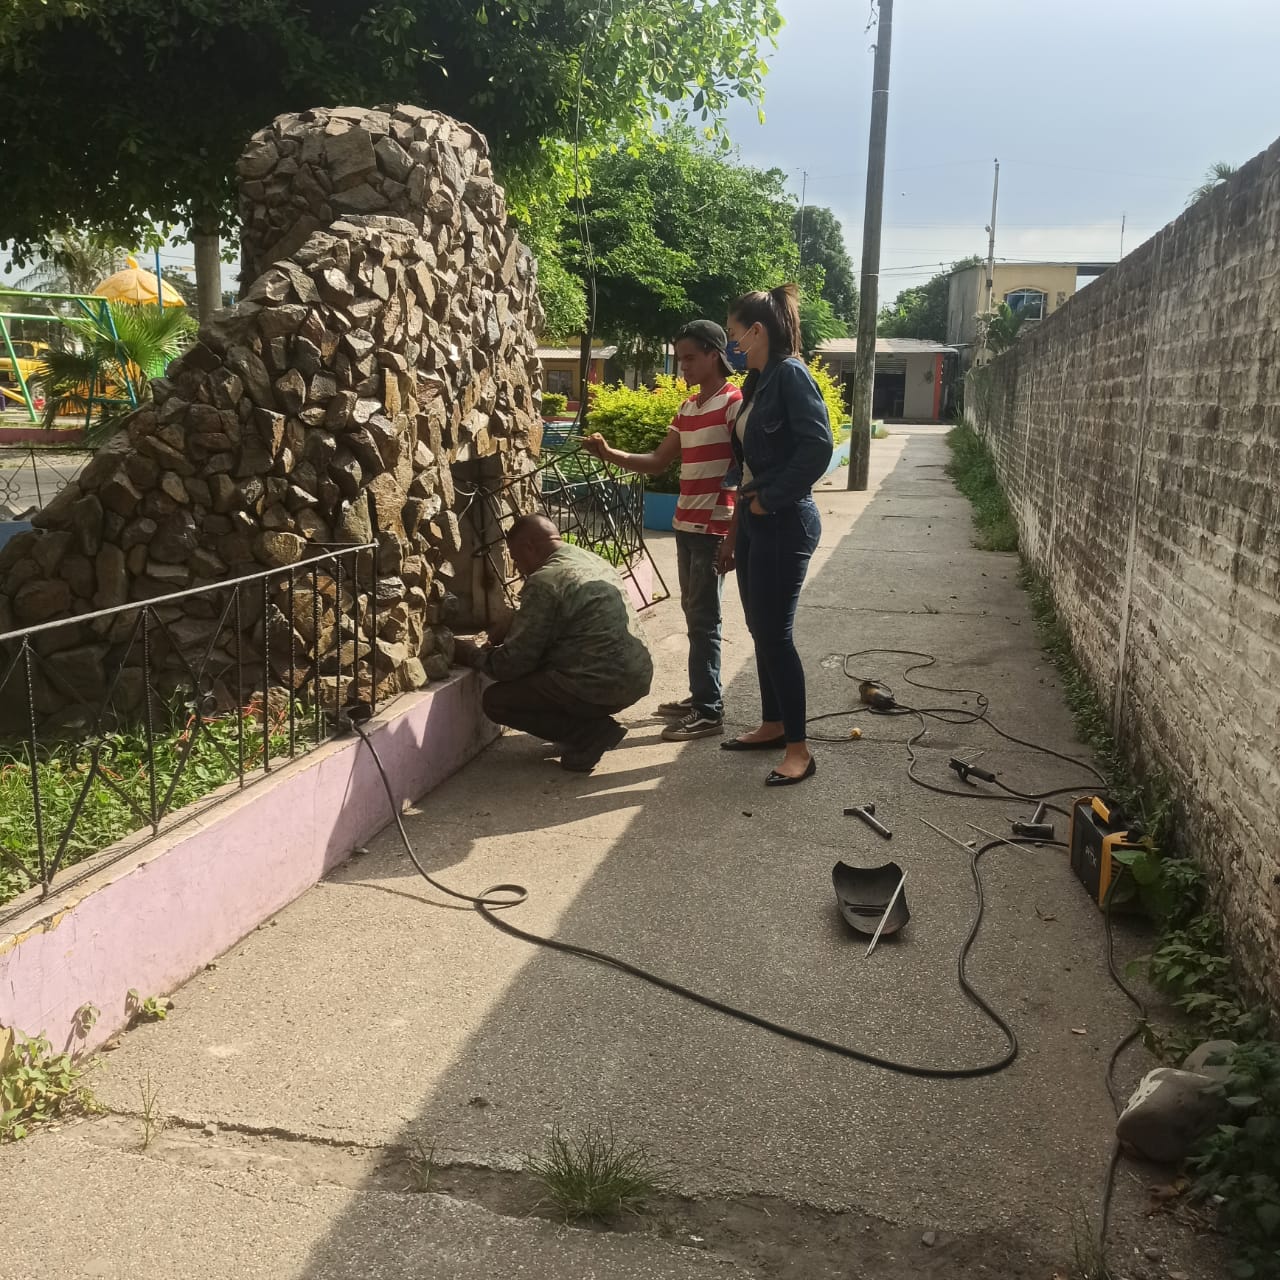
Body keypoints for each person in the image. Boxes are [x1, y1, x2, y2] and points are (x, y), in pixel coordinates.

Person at [584, 320, 741, 742]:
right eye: (680, 358)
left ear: (714, 355)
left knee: (704, 620)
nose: (682, 366)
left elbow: (749, 473)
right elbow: (657, 462)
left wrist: (734, 536)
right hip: (685, 524)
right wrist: (609, 453)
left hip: (712, 528)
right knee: (694, 615)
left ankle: (709, 711)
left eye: (690, 358)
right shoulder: (688, 407)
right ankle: (702, 695)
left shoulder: (734, 404)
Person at [719, 284, 833, 786]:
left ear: (757, 331)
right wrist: (741, 517)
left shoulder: (790, 374)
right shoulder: (758, 380)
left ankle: (799, 750)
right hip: (754, 519)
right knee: (760, 628)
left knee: (775, 635)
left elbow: (817, 447)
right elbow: (748, 460)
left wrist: (771, 497)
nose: (731, 342)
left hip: (785, 522)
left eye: (734, 332)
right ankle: (773, 724)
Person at [454, 513, 654, 773]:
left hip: (600, 684)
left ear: (529, 547)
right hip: (637, 676)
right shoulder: (590, 559)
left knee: (497, 700)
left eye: (516, 558)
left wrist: (470, 654)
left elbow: (511, 665)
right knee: (549, 668)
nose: (518, 568)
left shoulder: (544, 580)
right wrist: (515, 623)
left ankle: (591, 733)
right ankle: (588, 724)